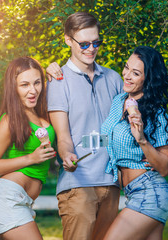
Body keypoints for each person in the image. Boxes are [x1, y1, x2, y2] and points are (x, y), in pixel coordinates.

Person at [46, 12, 123, 240]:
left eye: (96, 42)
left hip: (111, 183)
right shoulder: (58, 81)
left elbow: (120, 132)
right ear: (68, 40)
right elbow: (63, 136)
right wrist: (67, 155)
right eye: (84, 43)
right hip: (78, 185)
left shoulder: (114, 79)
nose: (91, 48)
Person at [0, 57, 56, 240]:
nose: (32, 90)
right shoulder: (10, 120)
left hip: (25, 203)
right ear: (13, 88)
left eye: (37, 83)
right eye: (24, 85)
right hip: (6, 200)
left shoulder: (42, 113)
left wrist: (54, 70)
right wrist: (31, 158)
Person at [101, 46, 168, 240]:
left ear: (147, 79)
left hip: (150, 192)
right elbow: (109, 138)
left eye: (136, 73)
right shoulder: (118, 101)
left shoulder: (156, 113)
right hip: (132, 193)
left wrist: (141, 139)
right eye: (126, 68)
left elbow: (166, 167)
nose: (127, 75)